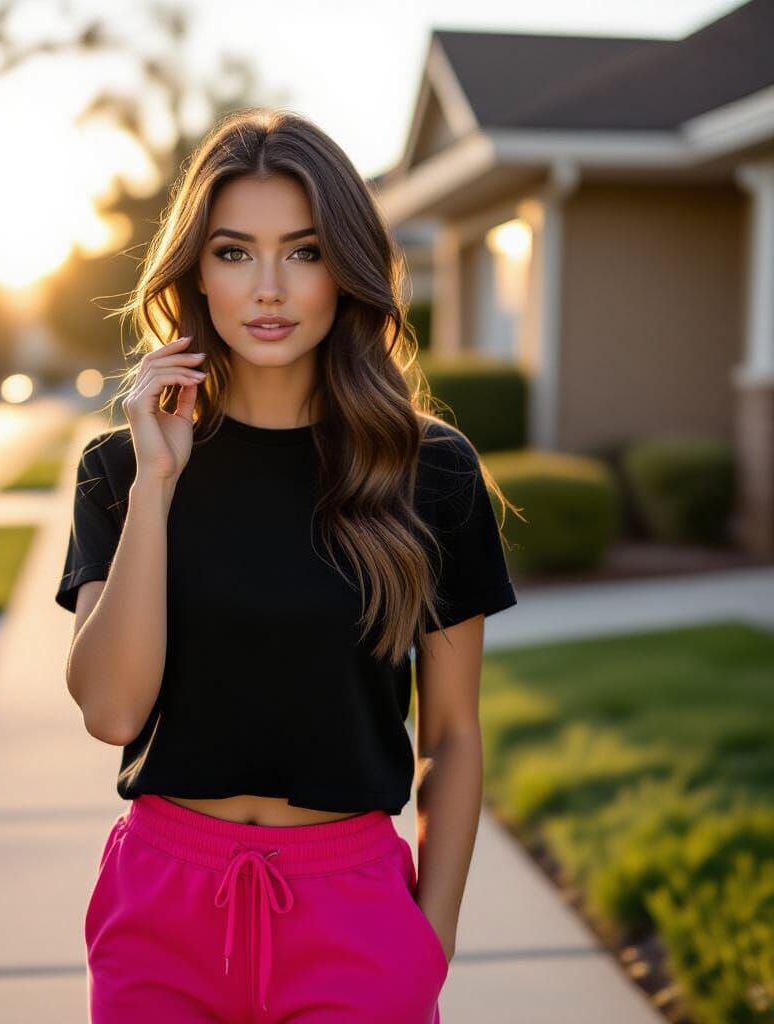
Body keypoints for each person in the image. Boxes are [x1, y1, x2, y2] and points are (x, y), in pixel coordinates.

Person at [55, 108, 520, 1023]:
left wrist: (431, 940)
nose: (268, 289)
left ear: (346, 269)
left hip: (353, 914)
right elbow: (112, 713)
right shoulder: (120, 470)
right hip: (161, 912)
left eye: (303, 252)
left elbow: (453, 735)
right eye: (234, 252)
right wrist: (157, 483)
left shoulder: (429, 471)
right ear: (196, 273)